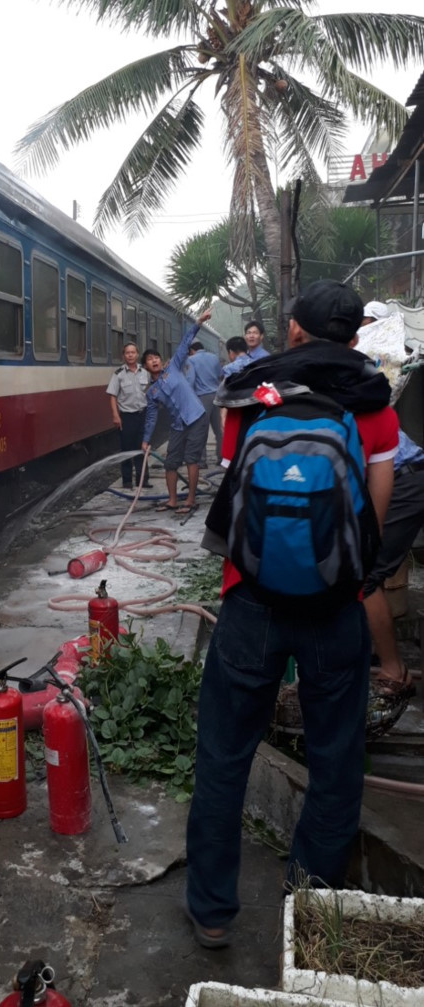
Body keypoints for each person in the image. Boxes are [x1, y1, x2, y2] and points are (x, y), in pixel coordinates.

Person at [186, 280, 398, 949]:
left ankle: (213, 911)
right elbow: (376, 522)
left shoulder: (251, 394)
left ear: (294, 331)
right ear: (355, 336)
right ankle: (306, 907)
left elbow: (237, 501)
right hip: (337, 608)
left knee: (224, 753)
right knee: (336, 759)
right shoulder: (374, 404)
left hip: (249, 600)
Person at [362, 426, 422, 699]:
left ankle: (393, 670)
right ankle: (374, 652)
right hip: (399, 475)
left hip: (402, 479)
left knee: (364, 577)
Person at [141, 308, 212, 513]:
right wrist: (146, 439)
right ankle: (172, 500)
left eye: (156, 357)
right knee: (171, 462)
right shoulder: (151, 392)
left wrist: (198, 322)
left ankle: (190, 500)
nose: (154, 360)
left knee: (191, 459)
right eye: (149, 359)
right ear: (145, 367)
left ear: (160, 360)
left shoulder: (173, 367)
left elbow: (184, 342)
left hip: (196, 417)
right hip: (178, 425)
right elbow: (151, 417)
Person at [106, 342, 151, 489]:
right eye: (127, 353)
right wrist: (115, 415)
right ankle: (126, 481)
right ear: (123, 355)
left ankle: (142, 480)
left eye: (133, 352)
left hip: (142, 415)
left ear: (137, 354)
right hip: (127, 416)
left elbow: (151, 392)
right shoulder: (118, 374)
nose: (130, 355)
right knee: (126, 450)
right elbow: (112, 396)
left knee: (142, 448)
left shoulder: (145, 373)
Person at [184, 342, 223, 466]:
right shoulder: (214, 358)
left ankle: (201, 460)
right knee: (219, 430)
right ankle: (222, 458)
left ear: (192, 350)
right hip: (217, 396)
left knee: (201, 429)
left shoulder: (191, 360)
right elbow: (220, 375)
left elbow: (190, 380)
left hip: (202, 397)